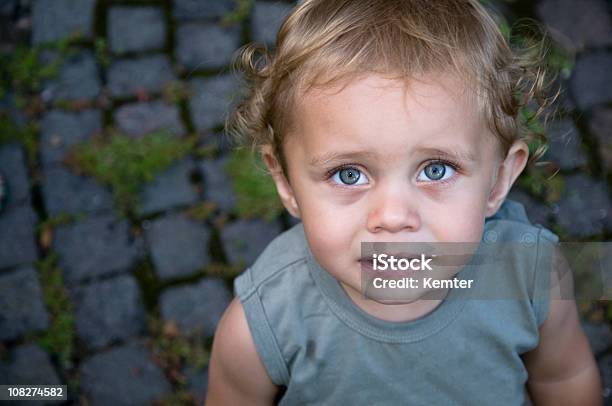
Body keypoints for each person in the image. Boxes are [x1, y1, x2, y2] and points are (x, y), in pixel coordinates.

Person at [206, 0, 602, 404]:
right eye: (349, 174)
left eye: (435, 170)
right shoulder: (265, 323)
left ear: (499, 178)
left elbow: (565, 379)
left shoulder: (530, 276)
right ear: (286, 182)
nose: (393, 217)